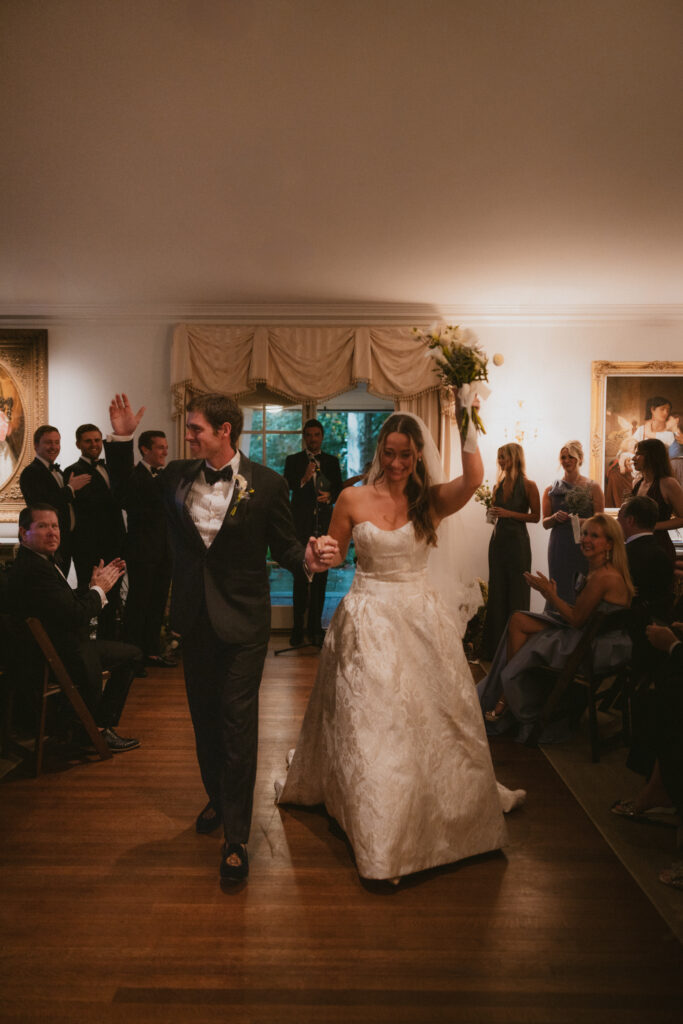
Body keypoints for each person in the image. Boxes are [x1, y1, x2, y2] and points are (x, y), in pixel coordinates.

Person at [277, 411, 525, 884]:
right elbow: (332, 551)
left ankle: (437, 816)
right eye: (389, 453)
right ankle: (380, 830)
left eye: (405, 455)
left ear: (417, 457)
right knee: (375, 723)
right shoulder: (351, 497)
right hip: (368, 618)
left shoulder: (428, 502)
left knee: (434, 719)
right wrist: (321, 554)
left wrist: (467, 414)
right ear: (379, 454)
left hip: (420, 618)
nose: (396, 462)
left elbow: (473, 478)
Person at [106, 392, 339, 885]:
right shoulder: (175, 478)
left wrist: (310, 560)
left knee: (237, 725)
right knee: (206, 724)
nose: (187, 437)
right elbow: (129, 498)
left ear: (224, 432)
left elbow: (289, 544)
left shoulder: (269, 485)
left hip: (244, 626)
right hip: (193, 622)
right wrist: (122, 439)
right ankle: (218, 796)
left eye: (195, 429)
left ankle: (236, 837)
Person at [478, 514, 633, 743]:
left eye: (595, 536)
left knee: (526, 634)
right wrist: (552, 594)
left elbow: (576, 619)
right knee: (519, 621)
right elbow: (581, 613)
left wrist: (550, 595)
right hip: (591, 633)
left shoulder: (604, 576)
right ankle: (507, 696)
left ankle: (507, 700)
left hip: (594, 647)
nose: (586, 540)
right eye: (586, 534)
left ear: (609, 544)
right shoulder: (599, 570)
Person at [11, 504, 141, 752]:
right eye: (42, 526)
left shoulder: (37, 562)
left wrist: (92, 587)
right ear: (23, 533)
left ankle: (91, 727)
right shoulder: (35, 569)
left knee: (130, 653)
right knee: (132, 655)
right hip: (58, 656)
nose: (52, 532)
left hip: (61, 647)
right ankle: (96, 729)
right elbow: (76, 615)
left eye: (55, 526)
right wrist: (99, 590)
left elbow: (63, 605)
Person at [115, 430, 174, 667]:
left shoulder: (168, 477)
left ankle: (151, 651)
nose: (165, 452)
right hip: (141, 550)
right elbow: (128, 500)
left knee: (158, 602)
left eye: (165, 447)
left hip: (165, 549)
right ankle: (133, 657)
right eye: (160, 447)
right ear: (144, 450)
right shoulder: (134, 476)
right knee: (138, 604)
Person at [283, 419, 342, 646]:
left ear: (322, 436)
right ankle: (297, 629)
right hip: (300, 527)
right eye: (309, 435)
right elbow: (287, 486)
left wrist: (330, 497)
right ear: (304, 437)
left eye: (317, 435)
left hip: (324, 527)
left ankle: (315, 629)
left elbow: (338, 489)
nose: (313, 439)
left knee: (321, 580)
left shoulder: (332, 461)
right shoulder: (293, 461)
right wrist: (305, 478)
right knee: (300, 578)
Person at [65, 424, 126, 639]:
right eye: (88, 441)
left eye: (97, 440)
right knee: (87, 597)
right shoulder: (72, 471)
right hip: (88, 548)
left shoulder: (109, 469)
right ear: (78, 444)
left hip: (114, 545)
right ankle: (83, 649)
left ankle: (107, 647)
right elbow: (92, 505)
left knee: (113, 599)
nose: (94, 445)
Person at [480, 443, 540, 660]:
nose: (500, 461)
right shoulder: (498, 485)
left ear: (514, 458)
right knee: (497, 591)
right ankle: (494, 648)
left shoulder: (529, 485)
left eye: (503, 457)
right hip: (498, 543)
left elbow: (535, 517)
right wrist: (493, 513)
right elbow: (497, 516)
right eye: (499, 458)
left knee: (518, 591)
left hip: (518, 544)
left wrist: (508, 513)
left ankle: (517, 647)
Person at [19, 425, 91, 574]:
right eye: (48, 442)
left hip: (67, 541)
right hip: (49, 541)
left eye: (57, 442)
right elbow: (42, 505)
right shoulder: (31, 472)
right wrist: (70, 489)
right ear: (36, 445)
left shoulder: (59, 471)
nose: (54, 447)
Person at [542, 440, 604, 605]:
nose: (567, 460)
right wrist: (554, 518)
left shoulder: (593, 487)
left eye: (571, 457)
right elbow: (545, 523)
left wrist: (580, 521)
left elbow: (601, 521)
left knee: (582, 586)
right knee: (559, 585)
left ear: (580, 459)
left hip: (585, 544)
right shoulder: (551, 490)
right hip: (559, 545)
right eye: (563, 457)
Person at [617, 494, 674, 625]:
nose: (616, 522)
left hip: (630, 626)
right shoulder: (663, 553)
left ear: (630, 520)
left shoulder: (623, 556)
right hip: (659, 624)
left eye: (619, 516)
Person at [630, 438, 683, 564]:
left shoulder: (668, 483)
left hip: (658, 547)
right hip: (636, 546)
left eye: (639, 454)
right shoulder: (636, 483)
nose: (633, 458)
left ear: (652, 456)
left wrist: (653, 527)